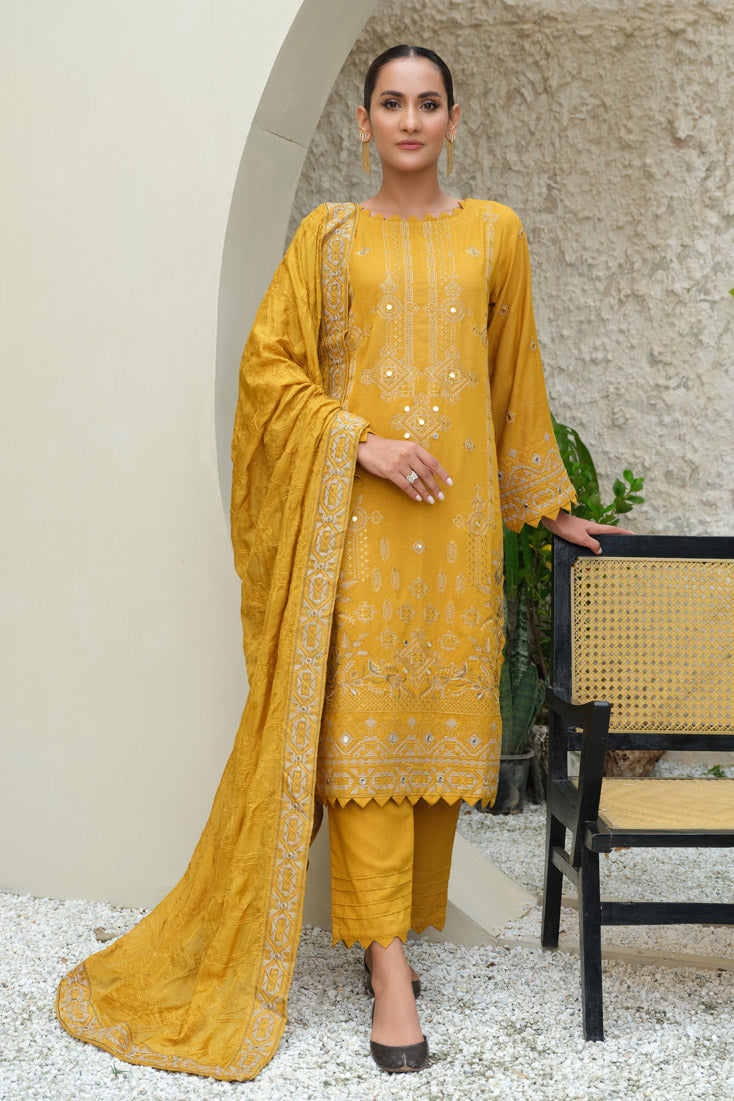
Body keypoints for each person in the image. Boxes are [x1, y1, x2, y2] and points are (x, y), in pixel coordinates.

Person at [55, 44, 628, 1080]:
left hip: (453, 538)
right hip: (355, 533)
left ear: (453, 119)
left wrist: (550, 508)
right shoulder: (327, 237)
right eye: (390, 103)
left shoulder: (495, 234)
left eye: (427, 103)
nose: (408, 120)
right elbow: (269, 370)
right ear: (361, 122)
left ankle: (388, 932)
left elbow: (515, 380)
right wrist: (356, 441)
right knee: (362, 747)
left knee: (426, 738)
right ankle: (390, 967)